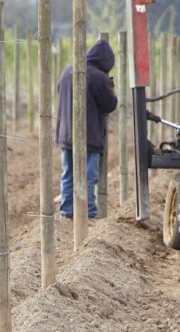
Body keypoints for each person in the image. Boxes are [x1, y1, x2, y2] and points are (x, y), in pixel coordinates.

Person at [55, 38, 118, 221]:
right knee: (89, 176)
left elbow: (59, 91)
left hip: (66, 133)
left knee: (68, 174)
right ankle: (89, 214)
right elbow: (109, 104)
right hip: (89, 135)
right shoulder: (98, 76)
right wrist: (110, 87)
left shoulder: (67, 70)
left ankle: (67, 212)